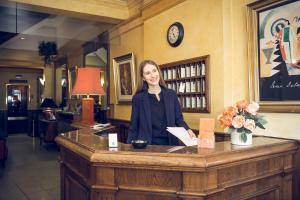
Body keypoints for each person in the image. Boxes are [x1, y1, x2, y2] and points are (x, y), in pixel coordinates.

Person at [127, 60, 196, 145]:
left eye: (154, 71)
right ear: (143, 78)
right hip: (148, 147)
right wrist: (128, 147)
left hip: (171, 144)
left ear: (158, 72)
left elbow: (179, 119)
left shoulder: (171, 94)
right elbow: (134, 126)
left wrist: (188, 129)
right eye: (148, 73)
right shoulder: (138, 98)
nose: (153, 75)